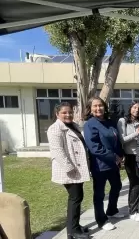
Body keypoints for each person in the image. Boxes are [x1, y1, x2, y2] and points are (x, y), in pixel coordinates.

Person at [47, 102, 90, 239]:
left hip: (78, 168)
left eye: (70, 112)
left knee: (77, 197)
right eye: (64, 112)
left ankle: (74, 225)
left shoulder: (73, 125)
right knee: (75, 198)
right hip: (69, 170)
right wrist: (69, 168)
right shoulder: (55, 129)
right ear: (57, 114)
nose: (68, 115)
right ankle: (72, 231)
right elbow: (57, 151)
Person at [83, 97, 124, 231]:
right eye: (95, 106)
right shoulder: (90, 124)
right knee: (99, 194)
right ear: (90, 109)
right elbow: (94, 147)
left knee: (117, 186)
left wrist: (120, 156)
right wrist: (113, 156)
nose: (98, 108)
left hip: (113, 164)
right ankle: (101, 220)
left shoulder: (109, 122)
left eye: (100, 105)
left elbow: (116, 140)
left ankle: (111, 210)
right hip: (100, 165)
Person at [117, 101, 139, 222]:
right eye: (135, 108)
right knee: (136, 183)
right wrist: (137, 132)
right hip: (130, 156)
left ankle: (133, 209)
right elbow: (122, 140)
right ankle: (133, 212)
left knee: (137, 184)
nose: (137, 110)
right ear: (130, 108)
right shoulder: (122, 121)